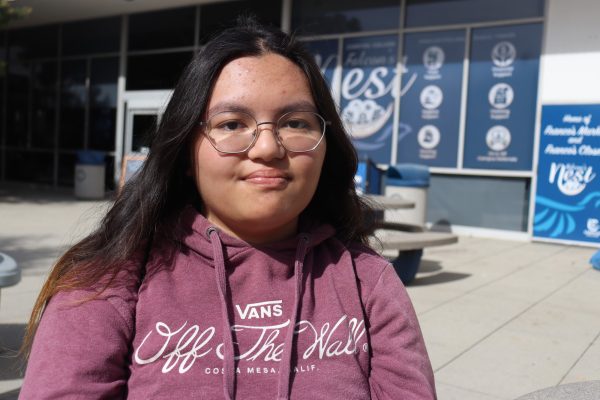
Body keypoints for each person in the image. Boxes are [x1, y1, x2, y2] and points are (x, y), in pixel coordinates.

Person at [20, 18, 436, 400]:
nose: (269, 148)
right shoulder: (108, 280)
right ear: (185, 150)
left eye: (295, 123)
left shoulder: (369, 283)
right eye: (232, 124)